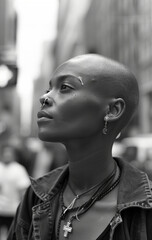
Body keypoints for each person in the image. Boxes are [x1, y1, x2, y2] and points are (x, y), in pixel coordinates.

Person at [7, 54, 152, 240]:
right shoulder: (35, 198)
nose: (44, 97)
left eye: (65, 88)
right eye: (48, 89)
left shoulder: (145, 211)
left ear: (112, 110)